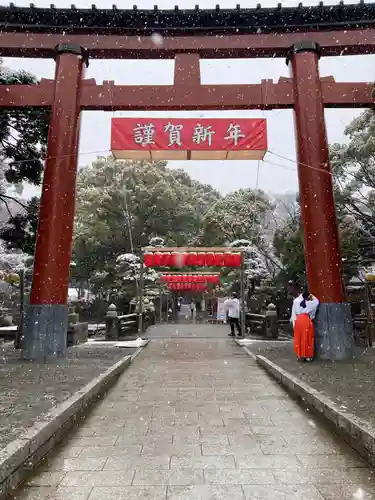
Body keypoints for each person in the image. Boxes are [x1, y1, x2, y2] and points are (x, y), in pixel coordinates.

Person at [290, 289, 319, 362]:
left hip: (298, 320)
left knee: (298, 338)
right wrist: (311, 295)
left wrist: (294, 323)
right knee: (307, 337)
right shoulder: (310, 303)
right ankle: (307, 356)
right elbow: (317, 301)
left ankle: (300, 355)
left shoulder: (296, 301)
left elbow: (293, 313)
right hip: (306, 319)